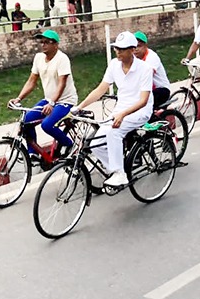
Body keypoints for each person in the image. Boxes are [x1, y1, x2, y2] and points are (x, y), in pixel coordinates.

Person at [73, 32, 152, 188]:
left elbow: (143, 101)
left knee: (113, 132)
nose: (118, 52)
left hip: (140, 111)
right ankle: (118, 170)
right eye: (116, 49)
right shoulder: (114, 65)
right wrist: (80, 107)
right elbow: (100, 89)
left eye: (122, 49)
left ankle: (120, 173)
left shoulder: (144, 69)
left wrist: (122, 114)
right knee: (95, 142)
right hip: (120, 110)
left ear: (132, 49)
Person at [9, 29, 80, 164]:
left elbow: (62, 84)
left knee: (47, 125)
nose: (43, 45)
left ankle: (70, 144)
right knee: (26, 121)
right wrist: (18, 99)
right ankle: (32, 153)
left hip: (65, 101)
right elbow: (31, 81)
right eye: (41, 42)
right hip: (49, 100)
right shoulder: (38, 58)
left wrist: (52, 103)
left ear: (56, 45)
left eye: (47, 42)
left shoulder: (62, 59)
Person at [134, 31, 171, 107]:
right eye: (134, 47)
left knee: (142, 103)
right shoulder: (134, 58)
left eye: (139, 46)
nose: (136, 49)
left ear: (145, 45)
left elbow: (147, 75)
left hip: (161, 89)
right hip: (148, 89)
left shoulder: (152, 57)